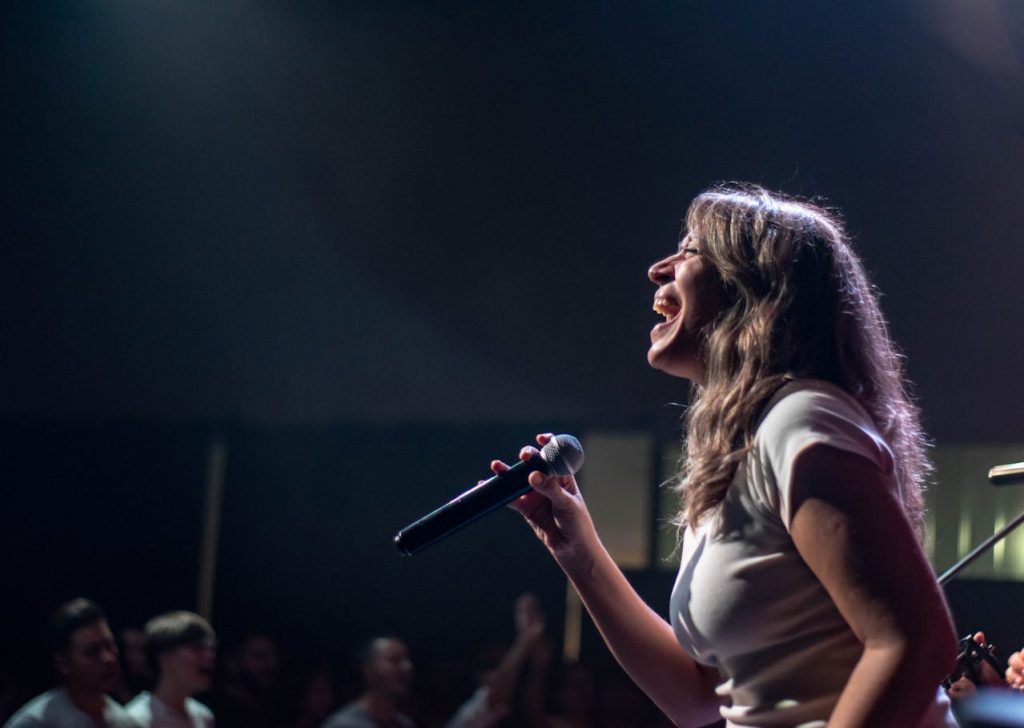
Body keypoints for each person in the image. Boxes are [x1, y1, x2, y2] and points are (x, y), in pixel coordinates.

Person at [495, 183, 959, 727]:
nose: (658, 269)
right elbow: (699, 697)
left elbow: (916, 643)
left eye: (691, 250)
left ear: (757, 288)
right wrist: (577, 551)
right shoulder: (746, 448)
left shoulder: (803, 421)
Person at [4, 597, 138, 727]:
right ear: (63, 664)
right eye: (92, 652)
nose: (108, 658)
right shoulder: (37, 722)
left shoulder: (125, 722)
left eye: (109, 645)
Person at [124, 611, 216, 727]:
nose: (209, 656)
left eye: (210, 649)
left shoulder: (203, 716)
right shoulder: (136, 719)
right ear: (165, 657)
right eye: (196, 648)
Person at [321, 636, 415, 728]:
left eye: (406, 661)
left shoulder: (405, 724)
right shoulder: (343, 724)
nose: (407, 668)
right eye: (395, 660)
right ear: (368, 670)